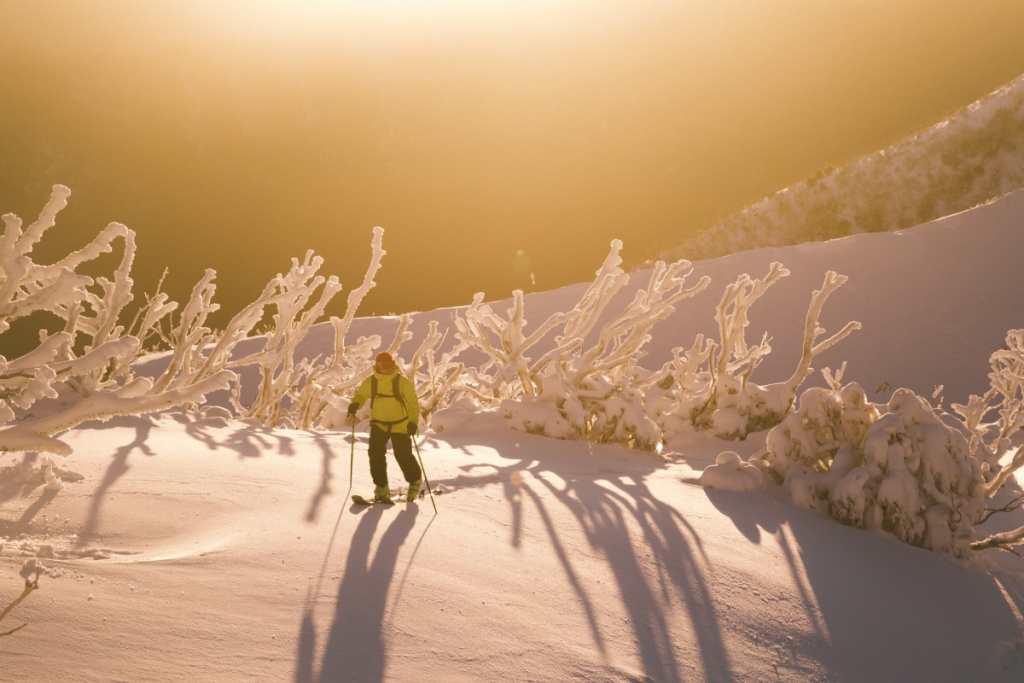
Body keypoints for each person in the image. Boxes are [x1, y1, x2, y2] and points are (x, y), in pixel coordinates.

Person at [346, 352, 422, 503]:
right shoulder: (372, 381)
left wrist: (413, 422)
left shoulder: (401, 382)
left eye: (387, 363)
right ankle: (381, 488)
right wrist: (354, 405)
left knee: (403, 455)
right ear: (377, 364)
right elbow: (361, 395)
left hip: (400, 424)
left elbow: (413, 404)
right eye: (382, 363)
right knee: (375, 455)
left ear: (392, 364)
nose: (385, 366)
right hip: (379, 424)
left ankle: (415, 482)